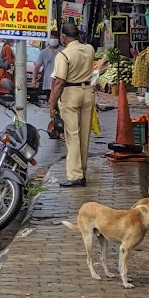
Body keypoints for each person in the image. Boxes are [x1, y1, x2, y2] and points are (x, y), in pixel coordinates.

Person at [48, 18, 97, 187]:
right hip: (87, 92)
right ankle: (82, 171)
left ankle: (75, 175)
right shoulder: (89, 49)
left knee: (72, 136)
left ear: (63, 37)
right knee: (84, 135)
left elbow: (59, 81)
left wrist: (52, 103)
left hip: (70, 93)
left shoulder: (64, 54)